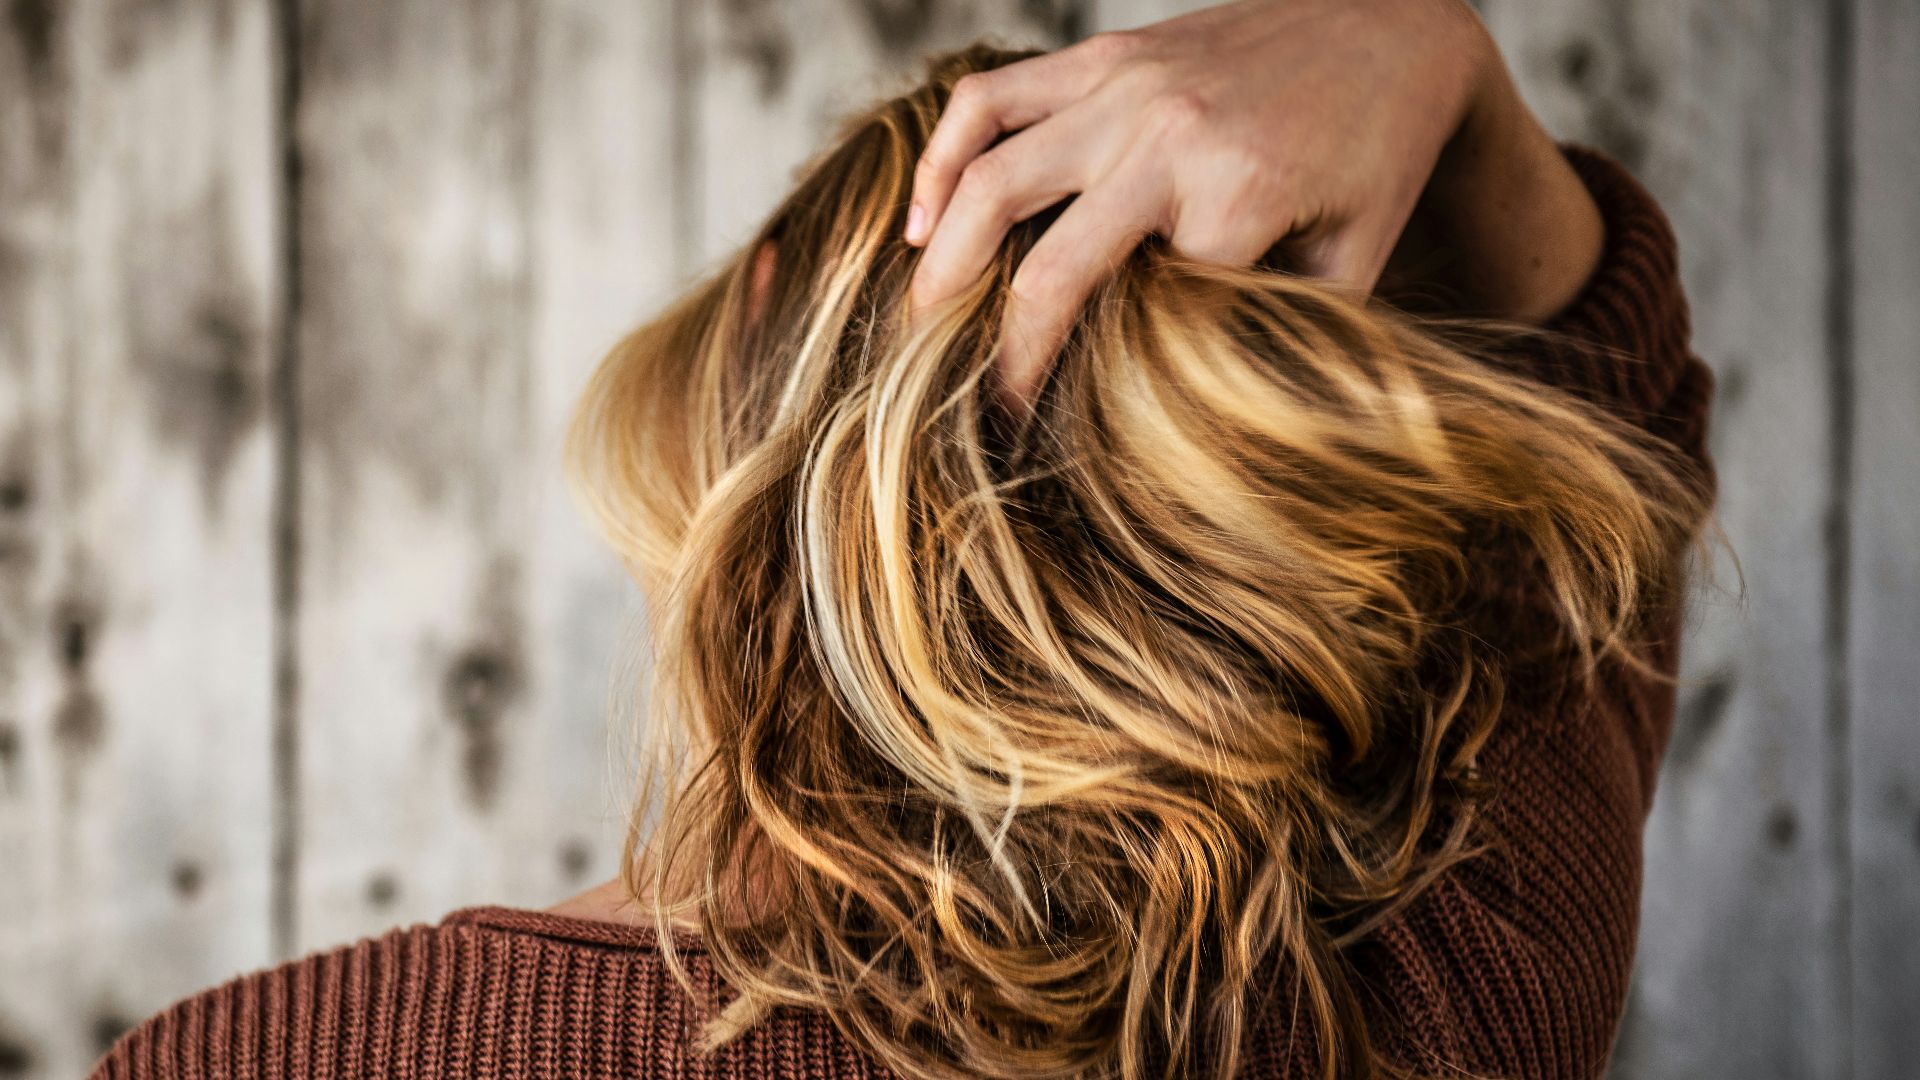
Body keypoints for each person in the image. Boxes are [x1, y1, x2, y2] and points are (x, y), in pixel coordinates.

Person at [92, 1, 1718, 1078]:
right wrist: (1427, 52)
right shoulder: (1449, 990)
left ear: (754, 345)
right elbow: (1614, 421)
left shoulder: (267, 1061)